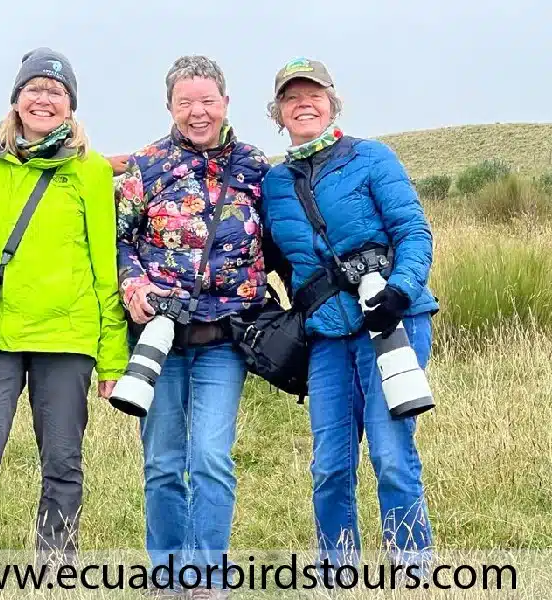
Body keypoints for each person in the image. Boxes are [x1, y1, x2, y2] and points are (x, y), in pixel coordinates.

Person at [0, 47, 128, 588]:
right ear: (16, 99)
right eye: (33, 89)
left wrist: (113, 357)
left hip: (67, 337)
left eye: (56, 91)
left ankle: (56, 568)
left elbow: (105, 267)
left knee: (62, 462)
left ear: (71, 105)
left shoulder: (89, 170)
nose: (44, 99)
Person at [260, 57, 439, 579]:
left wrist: (401, 291)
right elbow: (268, 257)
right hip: (326, 336)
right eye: (292, 98)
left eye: (313, 94)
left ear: (332, 102)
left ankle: (411, 568)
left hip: (391, 323)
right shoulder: (273, 184)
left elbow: (413, 231)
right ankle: (337, 570)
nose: (304, 104)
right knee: (330, 465)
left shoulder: (371, 158)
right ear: (278, 113)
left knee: (390, 454)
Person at [116, 55, 269, 598]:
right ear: (169, 106)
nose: (197, 112)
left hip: (224, 341)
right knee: (162, 463)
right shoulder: (145, 166)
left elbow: (278, 242)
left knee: (209, 458)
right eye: (185, 102)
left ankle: (205, 579)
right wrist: (135, 286)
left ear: (225, 103)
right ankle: (165, 575)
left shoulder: (255, 168)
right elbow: (119, 240)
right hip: (158, 340)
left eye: (207, 100)